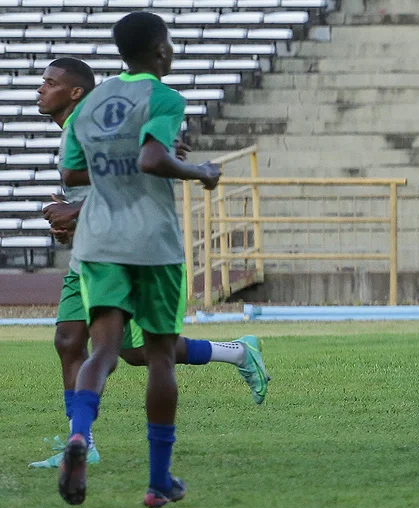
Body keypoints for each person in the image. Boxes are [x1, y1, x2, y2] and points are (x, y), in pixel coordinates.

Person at [32, 57, 271, 470]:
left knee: (138, 353)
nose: (39, 89)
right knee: (70, 342)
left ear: (75, 92)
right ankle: (82, 440)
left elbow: (137, 177)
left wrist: (77, 213)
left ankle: (238, 352)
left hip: (124, 252)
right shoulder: (77, 130)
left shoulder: (91, 124)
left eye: (49, 82)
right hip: (91, 252)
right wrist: (67, 212)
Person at [57, 11, 223, 507]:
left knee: (102, 351)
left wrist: (137, 159)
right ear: (160, 50)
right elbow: (152, 160)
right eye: (168, 43)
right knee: (158, 357)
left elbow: (72, 172)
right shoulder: (165, 97)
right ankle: (158, 481)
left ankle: (79, 435)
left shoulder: (92, 101)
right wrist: (199, 170)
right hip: (152, 243)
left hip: (99, 241)